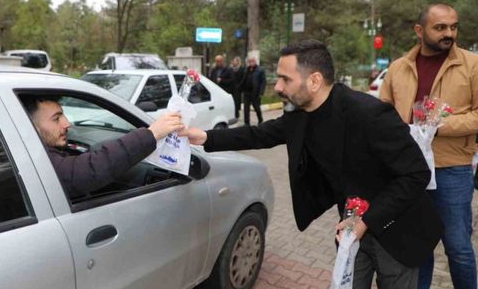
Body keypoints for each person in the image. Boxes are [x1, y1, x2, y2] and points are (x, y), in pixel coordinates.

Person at [181, 40, 443, 289]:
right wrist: (205, 137)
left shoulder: (369, 114)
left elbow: (416, 173)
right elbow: (260, 134)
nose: (279, 87)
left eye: (286, 79)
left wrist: (368, 220)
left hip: (397, 230)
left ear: (315, 80)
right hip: (351, 227)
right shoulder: (300, 115)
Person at [379, 3, 478, 289]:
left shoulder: (474, 65)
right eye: (440, 27)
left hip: (452, 170)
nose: (449, 33)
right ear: (419, 30)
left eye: (453, 26)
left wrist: (437, 128)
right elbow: (383, 112)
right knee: (419, 247)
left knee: (458, 248)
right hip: (408, 172)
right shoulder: (399, 68)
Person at [21, 95, 184, 198]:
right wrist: (151, 134)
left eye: (63, 115)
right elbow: (86, 170)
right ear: (31, 127)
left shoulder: (18, 152)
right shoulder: (32, 162)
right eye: (56, 119)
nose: (67, 124)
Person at [242, 57, 266, 125]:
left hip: (255, 93)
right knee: (246, 109)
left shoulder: (260, 70)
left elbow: (263, 82)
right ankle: (246, 123)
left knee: (257, 108)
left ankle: (260, 120)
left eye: (252, 61)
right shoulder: (246, 69)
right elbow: (243, 79)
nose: (251, 63)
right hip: (246, 92)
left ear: (255, 61)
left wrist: (261, 92)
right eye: (249, 61)